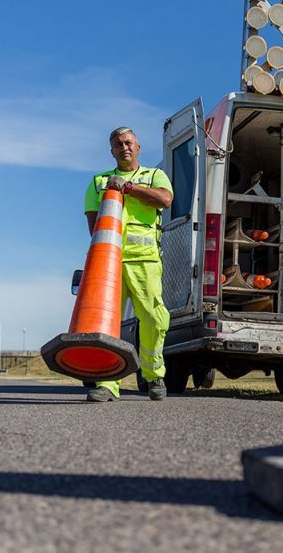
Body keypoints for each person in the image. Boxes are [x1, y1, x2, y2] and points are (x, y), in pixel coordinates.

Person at [83, 126, 173, 402]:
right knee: (106, 322)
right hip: (109, 262)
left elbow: (165, 200)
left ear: (138, 147)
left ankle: (153, 375)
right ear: (112, 151)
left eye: (128, 142)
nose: (124, 147)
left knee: (154, 319)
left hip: (145, 260)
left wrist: (129, 188)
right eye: (118, 144)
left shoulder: (154, 176)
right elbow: (93, 223)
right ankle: (107, 384)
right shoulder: (99, 181)